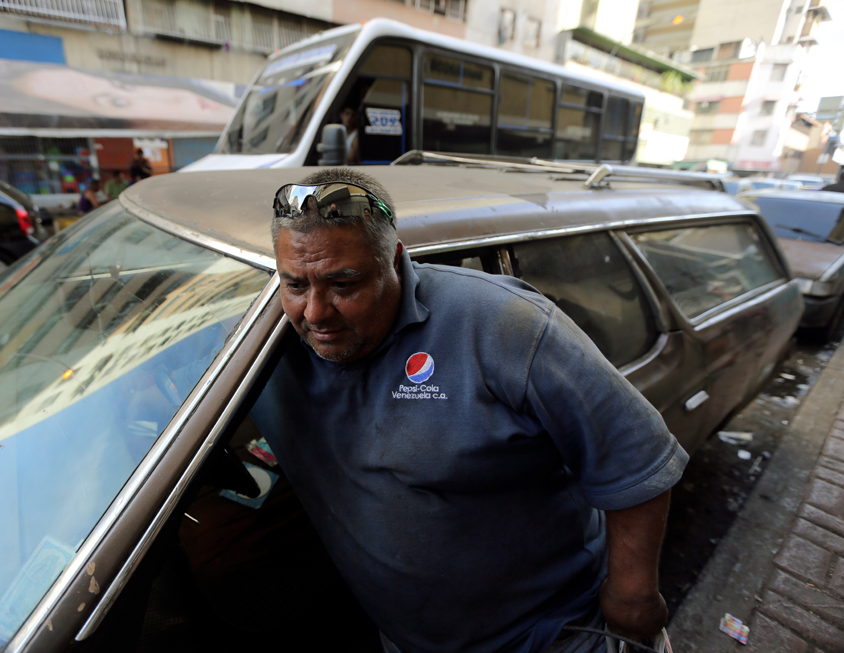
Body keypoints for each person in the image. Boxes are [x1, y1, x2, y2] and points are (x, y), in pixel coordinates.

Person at [250, 168, 688, 653]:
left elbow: (637, 454)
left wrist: (632, 601)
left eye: (343, 284)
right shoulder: (256, 343)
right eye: (294, 284)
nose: (314, 312)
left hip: (551, 638)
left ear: (394, 260)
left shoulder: (503, 325)